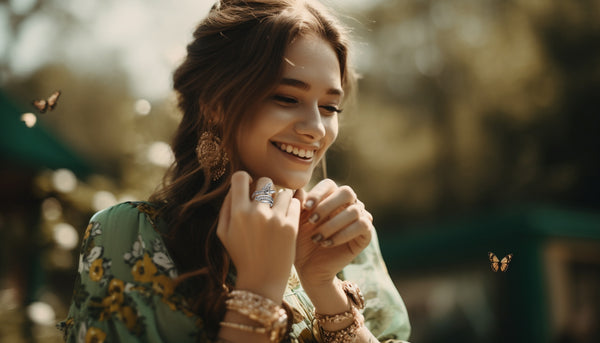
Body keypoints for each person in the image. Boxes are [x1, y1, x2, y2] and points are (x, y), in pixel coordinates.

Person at [59, 0, 411, 342]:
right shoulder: (132, 236)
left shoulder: (342, 243)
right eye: (287, 99)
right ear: (216, 104)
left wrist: (325, 289)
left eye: (330, 107)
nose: (317, 128)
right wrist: (258, 292)